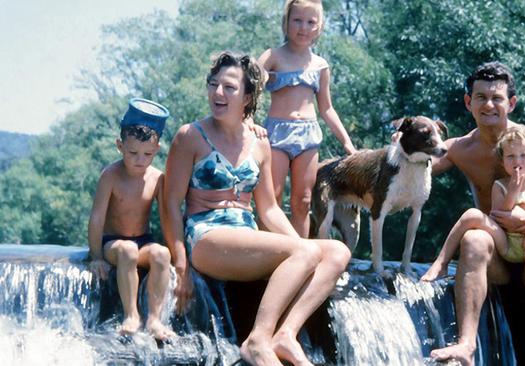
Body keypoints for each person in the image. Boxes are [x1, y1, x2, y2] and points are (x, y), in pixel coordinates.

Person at [162, 51, 351, 366]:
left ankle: (285, 334)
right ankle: (258, 340)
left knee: (336, 252)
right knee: (303, 254)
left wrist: (302, 246)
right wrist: (181, 267)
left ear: (248, 96)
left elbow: (269, 210)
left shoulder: (261, 143)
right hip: (207, 237)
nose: (217, 93)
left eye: (229, 87)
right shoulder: (190, 136)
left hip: (245, 235)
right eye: (213, 84)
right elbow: (170, 203)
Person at [420, 62, 525, 366]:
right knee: (475, 238)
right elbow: (408, 168)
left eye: (497, 98)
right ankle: (465, 345)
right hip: (498, 255)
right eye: (480, 97)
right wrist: (398, 146)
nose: (489, 105)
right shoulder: (459, 149)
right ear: (468, 102)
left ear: (511, 103)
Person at [425, 125, 525, 313]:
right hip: (507, 245)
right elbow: (498, 217)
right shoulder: (500, 186)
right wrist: (511, 193)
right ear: (503, 161)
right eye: (511, 157)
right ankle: (441, 263)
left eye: (524, 156)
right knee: (471, 214)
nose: (517, 161)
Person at [257, 0, 356, 238]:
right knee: (273, 198)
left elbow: (327, 109)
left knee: (303, 201)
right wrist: (247, 124)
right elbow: (248, 90)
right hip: (276, 135)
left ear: (320, 26)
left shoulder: (320, 65)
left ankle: (298, 255)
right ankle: (264, 257)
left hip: (308, 136)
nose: (303, 27)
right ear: (286, 22)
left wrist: (347, 143)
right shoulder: (272, 57)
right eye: (297, 20)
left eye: (311, 22)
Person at [88, 98, 175, 340]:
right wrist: (95, 256)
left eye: (147, 154)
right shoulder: (110, 175)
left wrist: (178, 255)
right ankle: (131, 315)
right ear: (120, 146)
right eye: (132, 153)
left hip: (143, 241)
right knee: (127, 250)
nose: (140, 160)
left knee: (161, 254)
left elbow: (167, 218)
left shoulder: (158, 178)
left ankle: (155, 319)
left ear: (156, 150)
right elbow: (97, 217)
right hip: (113, 243)